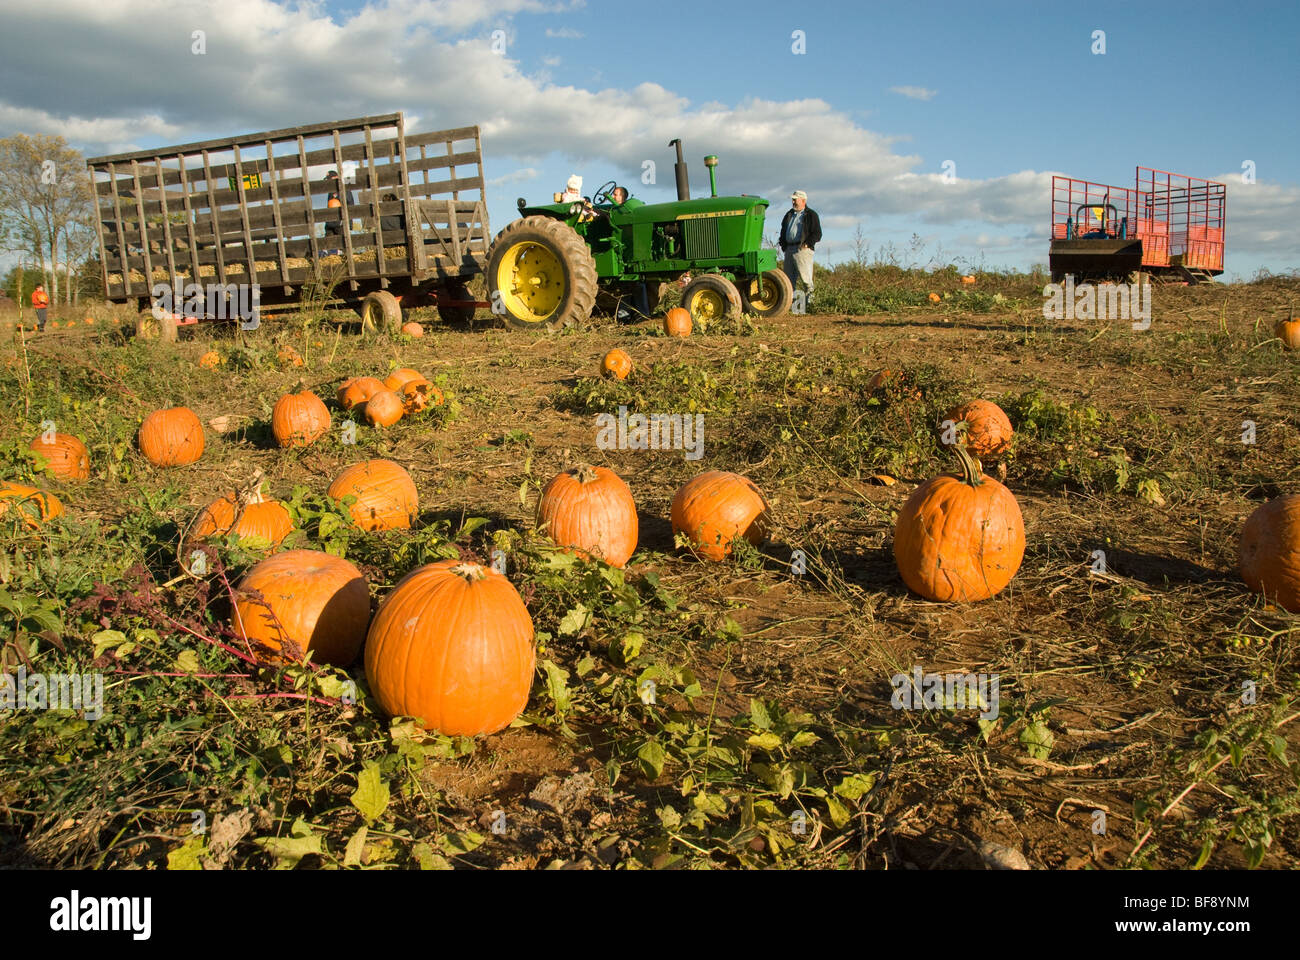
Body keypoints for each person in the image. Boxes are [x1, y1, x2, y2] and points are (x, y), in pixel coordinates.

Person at [779, 190, 822, 305]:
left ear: (803, 200)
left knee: (806, 280)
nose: (793, 201)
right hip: (789, 249)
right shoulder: (789, 214)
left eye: (795, 199)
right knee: (788, 281)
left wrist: (807, 244)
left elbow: (817, 233)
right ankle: (794, 307)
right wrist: (783, 245)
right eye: (792, 199)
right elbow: (783, 231)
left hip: (802, 250)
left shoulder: (811, 215)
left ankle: (811, 305)